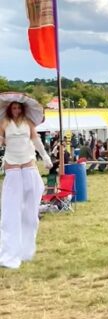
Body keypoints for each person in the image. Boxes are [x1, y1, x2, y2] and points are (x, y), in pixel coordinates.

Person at [0, 97, 52, 270]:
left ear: (22, 109)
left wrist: (45, 156)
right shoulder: (4, 122)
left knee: (30, 209)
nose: (16, 110)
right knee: (11, 210)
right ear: (9, 109)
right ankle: (9, 251)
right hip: (12, 164)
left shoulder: (28, 122)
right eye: (13, 108)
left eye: (18, 108)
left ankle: (26, 248)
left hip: (28, 163)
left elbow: (36, 140)